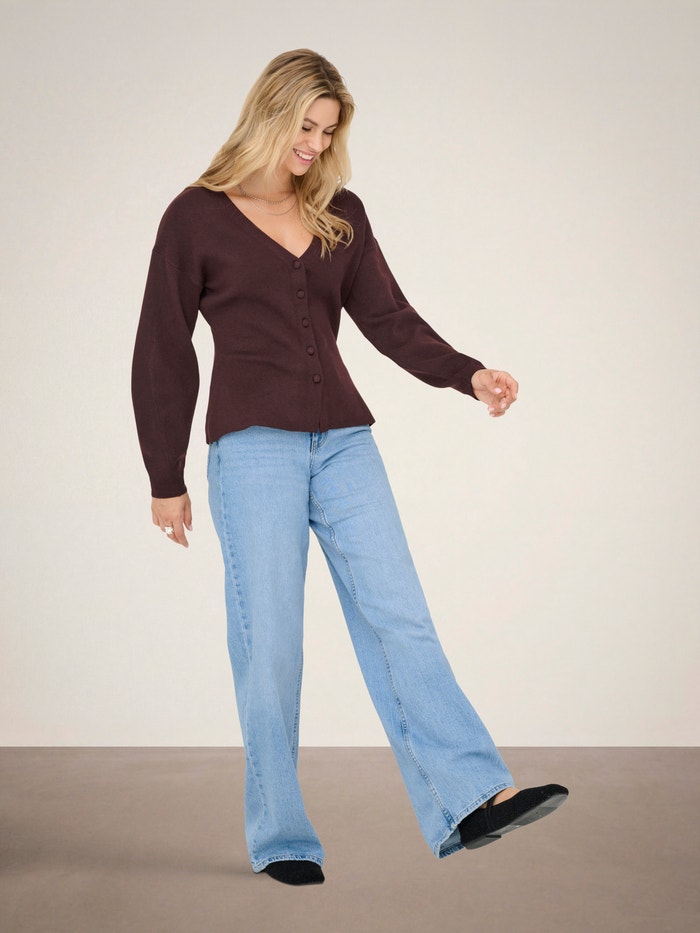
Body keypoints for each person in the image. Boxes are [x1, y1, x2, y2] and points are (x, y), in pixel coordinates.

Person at [131, 49, 568, 887]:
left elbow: (390, 319)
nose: (315, 144)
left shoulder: (341, 213)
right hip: (250, 450)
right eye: (305, 125)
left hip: (344, 444)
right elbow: (163, 347)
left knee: (400, 616)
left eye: (328, 131)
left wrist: (468, 373)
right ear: (269, 114)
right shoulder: (196, 217)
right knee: (270, 644)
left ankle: (472, 797)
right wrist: (165, 475)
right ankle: (281, 836)